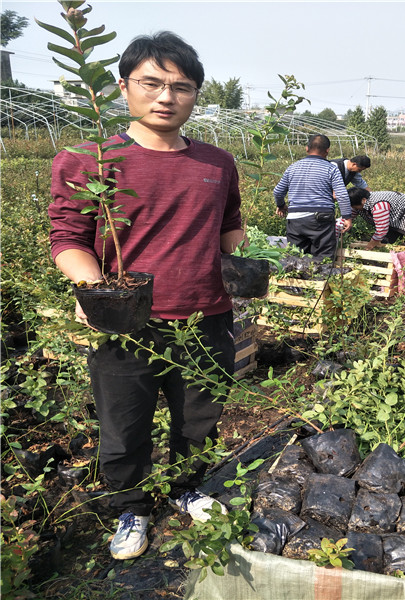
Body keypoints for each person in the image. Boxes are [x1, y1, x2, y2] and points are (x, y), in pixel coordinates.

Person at [48, 31, 245, 560]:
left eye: (181, 87)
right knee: (124, 422)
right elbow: (67, 238)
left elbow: (230, 226)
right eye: (151, 83)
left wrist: (245, 260)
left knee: (199, 418)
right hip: (124, 321)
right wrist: (92, 287)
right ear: (122, 88)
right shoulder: (89, 159)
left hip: (207, 317)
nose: (165, 97)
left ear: (196, 95)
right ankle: (131, 507)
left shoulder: (217, 162)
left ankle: (186, 489)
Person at [273, 134, 352, 260]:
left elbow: (278, 192)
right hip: (321, 220)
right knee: (323, 258)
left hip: (295, 220)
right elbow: (342, 194)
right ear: (327, 151)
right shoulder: (331, 169)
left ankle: (297, 278)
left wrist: (281, 205)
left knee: (295, 258)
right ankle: (320, 278)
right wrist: (347, 217)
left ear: (306, 148)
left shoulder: (292, 168)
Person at [347, 188, 405, 283]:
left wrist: (371, 244)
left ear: (363, 200)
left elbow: (381, 230)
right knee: (385, 242)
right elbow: (348, 218)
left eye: (356, 207)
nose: (355, 209)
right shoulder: (358, 204)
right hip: (395, 217)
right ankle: (387, 272)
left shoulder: (379, 205)